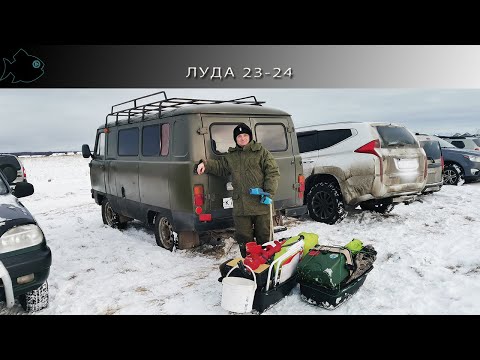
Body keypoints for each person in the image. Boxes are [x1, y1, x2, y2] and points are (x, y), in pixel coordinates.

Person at [196, 123, 280, 257]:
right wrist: (205, 164)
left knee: (265, 239)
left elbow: (273, 172)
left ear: (250, 136)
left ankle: (268, 265)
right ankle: (249, 265)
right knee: (244, 239)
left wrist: (269, 192)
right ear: (236, 139)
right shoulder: (232, 156)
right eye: (239, 136)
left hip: (261, 204)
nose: (242, 138)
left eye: (245, 135)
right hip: (241, 206)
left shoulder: (261, 152)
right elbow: (220, 167)